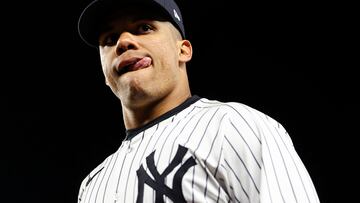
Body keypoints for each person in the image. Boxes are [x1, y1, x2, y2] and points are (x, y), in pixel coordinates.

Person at [77, 0, 320, 202]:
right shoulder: (92, 185)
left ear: (183, 50)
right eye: (109, 39)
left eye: (144, 28)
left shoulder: (234, 125)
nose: (123, 42)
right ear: (105, 75)